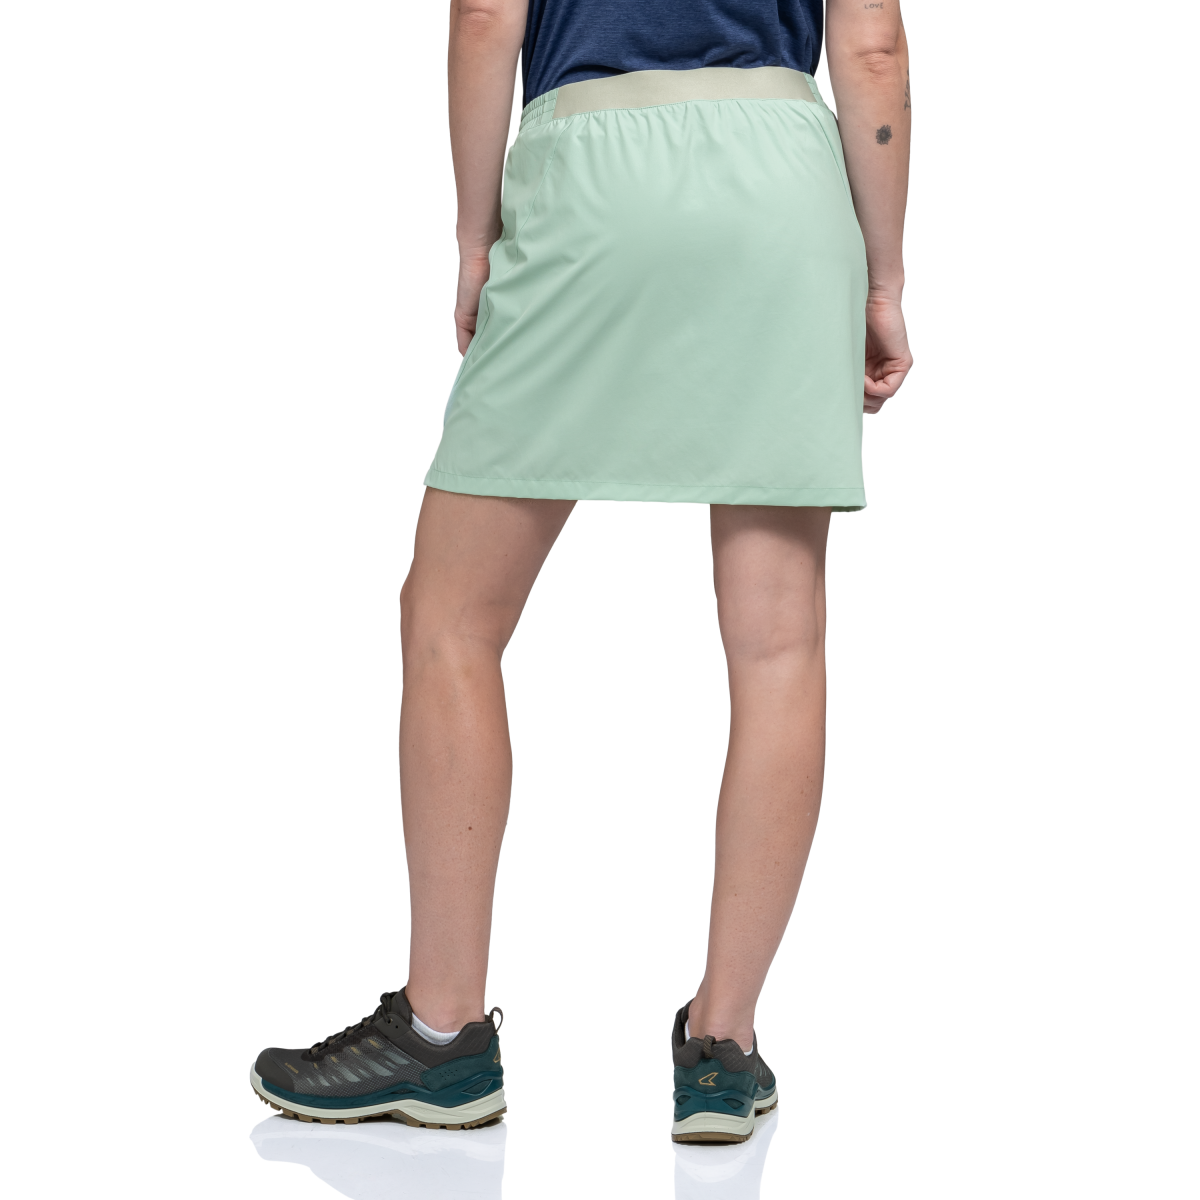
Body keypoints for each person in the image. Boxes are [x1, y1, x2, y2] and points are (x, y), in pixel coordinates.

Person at [249, 0, 913, 1144]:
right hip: (783, 183)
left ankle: (443, 1036)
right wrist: (883, 276)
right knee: (778, 644)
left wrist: (474, 239)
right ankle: (724, 1049)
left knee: (452, 617)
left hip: (589, 172)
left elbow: (482, 19)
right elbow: (871, 46)